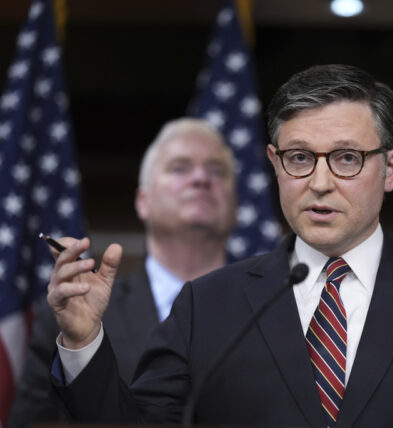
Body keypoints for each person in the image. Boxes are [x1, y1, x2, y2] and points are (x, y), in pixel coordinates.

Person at [46, 65, 393, 427]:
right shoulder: (208, 305)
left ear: (391, 168)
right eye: (299, 158)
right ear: (275, 165)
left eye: (347, 158)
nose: (319, 182)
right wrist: (83, 341)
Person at [7, 117, 237, 427]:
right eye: (180, 168)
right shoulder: (76, 310)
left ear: (235, 203)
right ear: (143, 201)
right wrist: (81, 343)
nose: (201, 178)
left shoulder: (276, 304)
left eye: (216, 171)